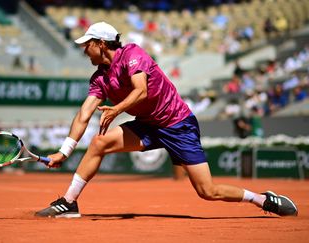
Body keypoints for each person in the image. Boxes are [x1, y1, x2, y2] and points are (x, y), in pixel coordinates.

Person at [34, 22, 298, 218]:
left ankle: (262, 200)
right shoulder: (99, 78)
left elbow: (141, 91)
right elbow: (84, 113)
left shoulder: (133, 54)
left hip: (177, 124)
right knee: (99, 142)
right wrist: (64, 151)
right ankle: (69, 202)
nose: (84, 51)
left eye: (87, 45)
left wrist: (116, 110)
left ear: (101, 44)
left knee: (208, 191)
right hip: (148, 125)